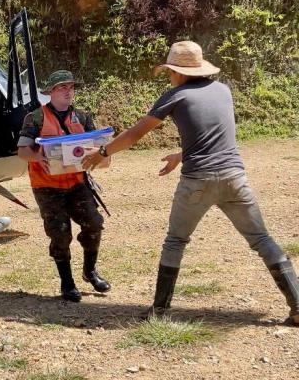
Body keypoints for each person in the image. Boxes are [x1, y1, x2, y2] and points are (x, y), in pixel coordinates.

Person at [82, 41, 299, 325]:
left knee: (175, 241)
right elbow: (212, 134)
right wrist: (181, 155)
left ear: (179, 72)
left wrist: (103, 152)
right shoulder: (223, 91)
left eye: (170, 72)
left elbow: (136, 134)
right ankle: (297, 306)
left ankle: (160, 312)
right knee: (261, 239)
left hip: (197, 180)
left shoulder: (175, 96)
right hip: (234, 177)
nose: (169, 77)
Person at [16, 70, 112, 302]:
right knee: (59, 234)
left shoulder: (83, 117)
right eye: (62, 87)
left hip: (77, 183)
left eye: (71, 87)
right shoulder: (35, 118)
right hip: (47, 186)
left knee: (94, 224)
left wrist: (100, 154)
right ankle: (67, 282)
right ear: (51, 91)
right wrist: (38, 156)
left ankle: (90, 271)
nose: (68, 91)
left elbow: (99, 150)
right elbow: (22, 151)